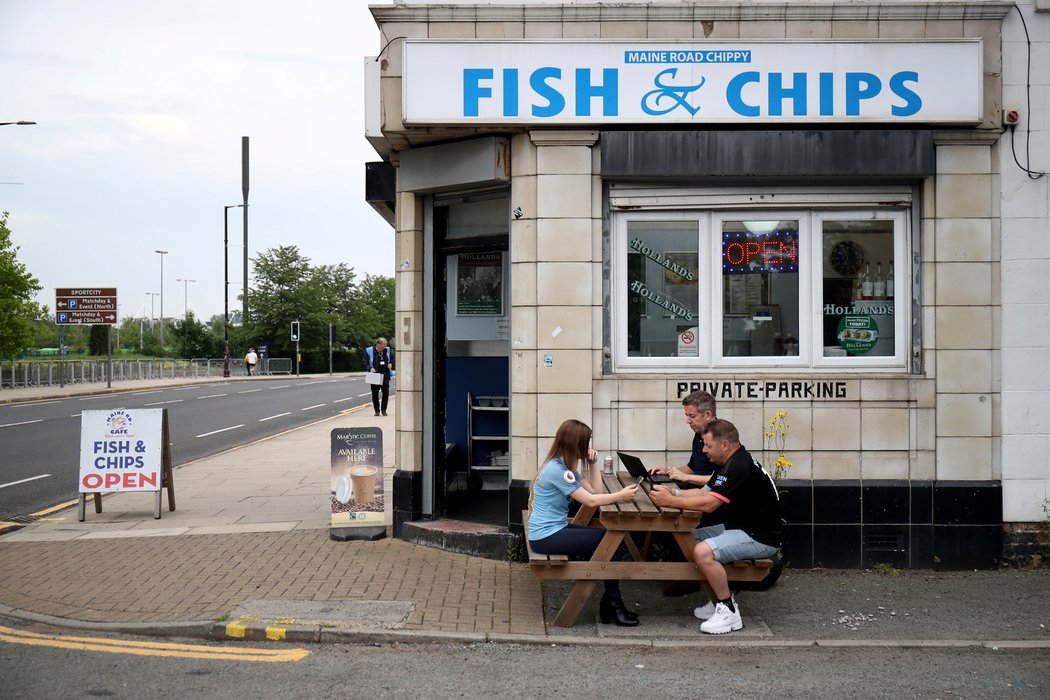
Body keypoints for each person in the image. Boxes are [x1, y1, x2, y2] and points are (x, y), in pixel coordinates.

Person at [649, 419, 782, 635]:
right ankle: (719, 599)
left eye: (708, 446)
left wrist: (670, 502)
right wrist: (672, 493)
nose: (703, 450)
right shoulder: (730, 462)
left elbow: (710, 504)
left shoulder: (739, 467)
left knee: (702, 551)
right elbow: (704, 491)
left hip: (759, 538)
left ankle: (728, 609)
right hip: (738, 528)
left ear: (725, 445)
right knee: (688, 537)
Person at [527, 419, 641, 626]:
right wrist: (621, 495)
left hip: (551, 530)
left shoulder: (563, 466)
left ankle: (612, 604)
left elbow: (596, 491)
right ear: (575, 444)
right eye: (586, 442)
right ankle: (612, 604)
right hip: (546, 536)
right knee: (612, 543)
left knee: (610, 543)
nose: (588, 446)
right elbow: (591, 501)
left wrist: (593, 463)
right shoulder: (558, 471)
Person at [649, 389, 718, 488]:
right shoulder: (699, 432)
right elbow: (692, 467)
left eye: (692, 416)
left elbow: (721, 479)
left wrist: (685, 477)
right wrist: (667, 471)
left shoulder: (721, 436)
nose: (688, 421)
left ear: (707, 415)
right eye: (687, 416)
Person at [363, 337, 394, 416]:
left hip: (385, 374)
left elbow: (392, 359)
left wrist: (391, 363)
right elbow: (365, 362)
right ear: (378, 344)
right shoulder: (369, 350)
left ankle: (384, 410)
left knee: (386, 392)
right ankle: (377, 410)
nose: (385, 346)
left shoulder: (387, 350)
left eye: (385, 344)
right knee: (375, 393)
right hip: (375, 375)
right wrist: (370, 368)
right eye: (383, 344)